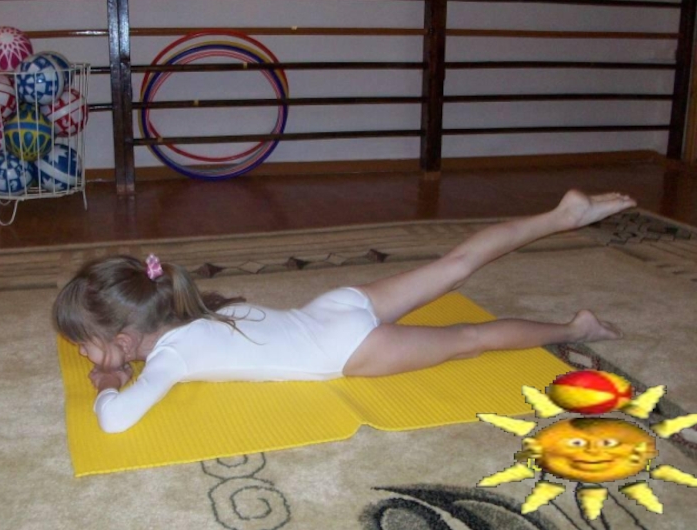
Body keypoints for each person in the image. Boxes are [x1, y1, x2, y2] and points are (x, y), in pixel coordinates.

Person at [53, 189, 635, 433]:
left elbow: (114, 421)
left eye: (86, 341)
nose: (80, 351)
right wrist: (116, 362)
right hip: (334, 307)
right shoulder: (190, 309)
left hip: (349, 349)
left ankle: (574, 327)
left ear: (126, 340)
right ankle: (562, 215)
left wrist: (110, 383)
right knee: (455, 264)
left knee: (470, 338)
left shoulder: (171, 358)